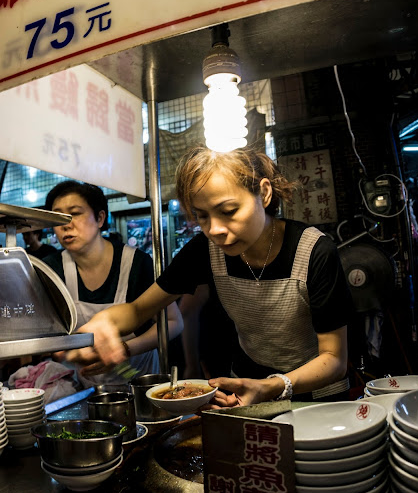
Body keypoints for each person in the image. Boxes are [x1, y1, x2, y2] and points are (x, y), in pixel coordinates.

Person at [59, 146, 352, 406]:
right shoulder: (206, 249)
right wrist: (106, 322)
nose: (215, 229)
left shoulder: (314, 251)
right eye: (202, 216)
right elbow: (139, 309)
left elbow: (334, 359)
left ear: (263, 193)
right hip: (245, 387)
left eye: (228, 210)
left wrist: (273, 386)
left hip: (318, 394)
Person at [43, 180, 183, 388]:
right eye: (57, 216)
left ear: (100, 218)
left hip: (142, 384)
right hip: (87, 390)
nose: (66, 224)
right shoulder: (52, 270)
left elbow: (173, 323)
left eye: (75, 213)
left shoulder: (136, 264)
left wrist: (126, 349)